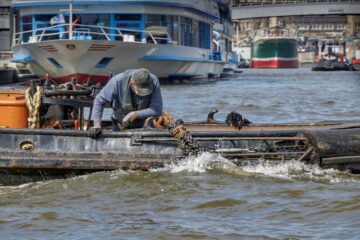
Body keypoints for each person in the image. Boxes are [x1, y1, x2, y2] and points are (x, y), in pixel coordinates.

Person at [89, 68, 163, 138]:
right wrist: (97, 124)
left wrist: (135, 114)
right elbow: (99, 100)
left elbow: (157, 109)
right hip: (119, 126)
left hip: (146, 127)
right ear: (132, 83)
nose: (143, 94)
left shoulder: (153, 80)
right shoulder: (117, 81)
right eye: (141, 91)